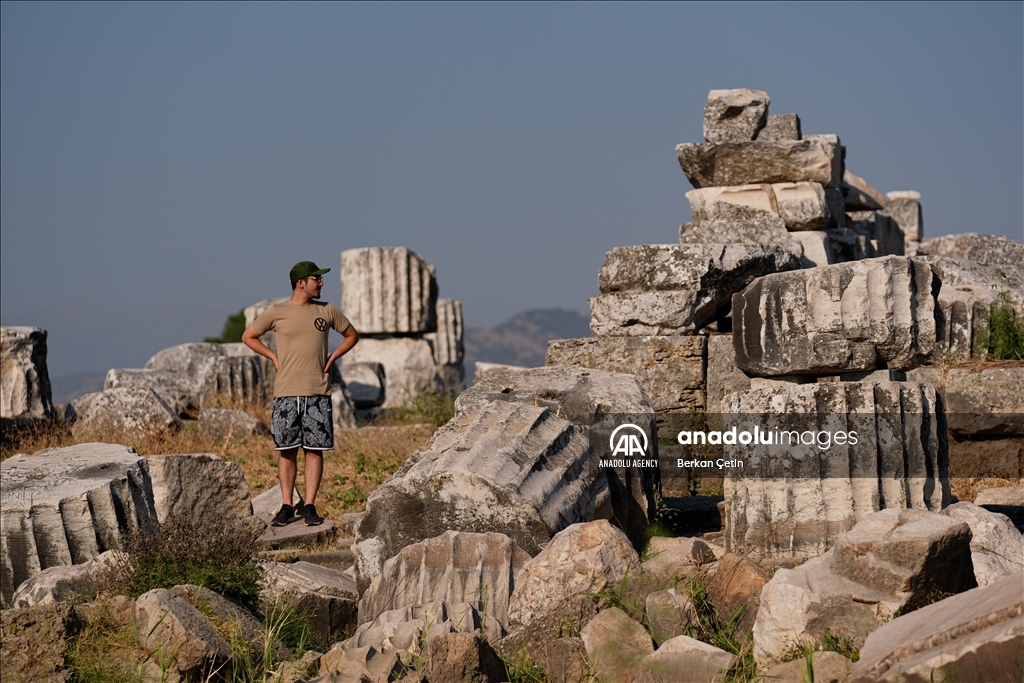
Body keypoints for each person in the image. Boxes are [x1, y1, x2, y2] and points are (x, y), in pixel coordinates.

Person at [242, 260, 359, 527]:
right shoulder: (277, 312)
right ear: (301, 282)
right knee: (286, 450)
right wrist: (272, 355)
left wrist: (333, 357)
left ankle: (309, 505)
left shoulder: (327, 310)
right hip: (285, 393)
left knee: (314, 450)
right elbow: (248, 336)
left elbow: (351, 335)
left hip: (317, 392)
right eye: (317, 278)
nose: (322, 282)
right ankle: (286, 505)